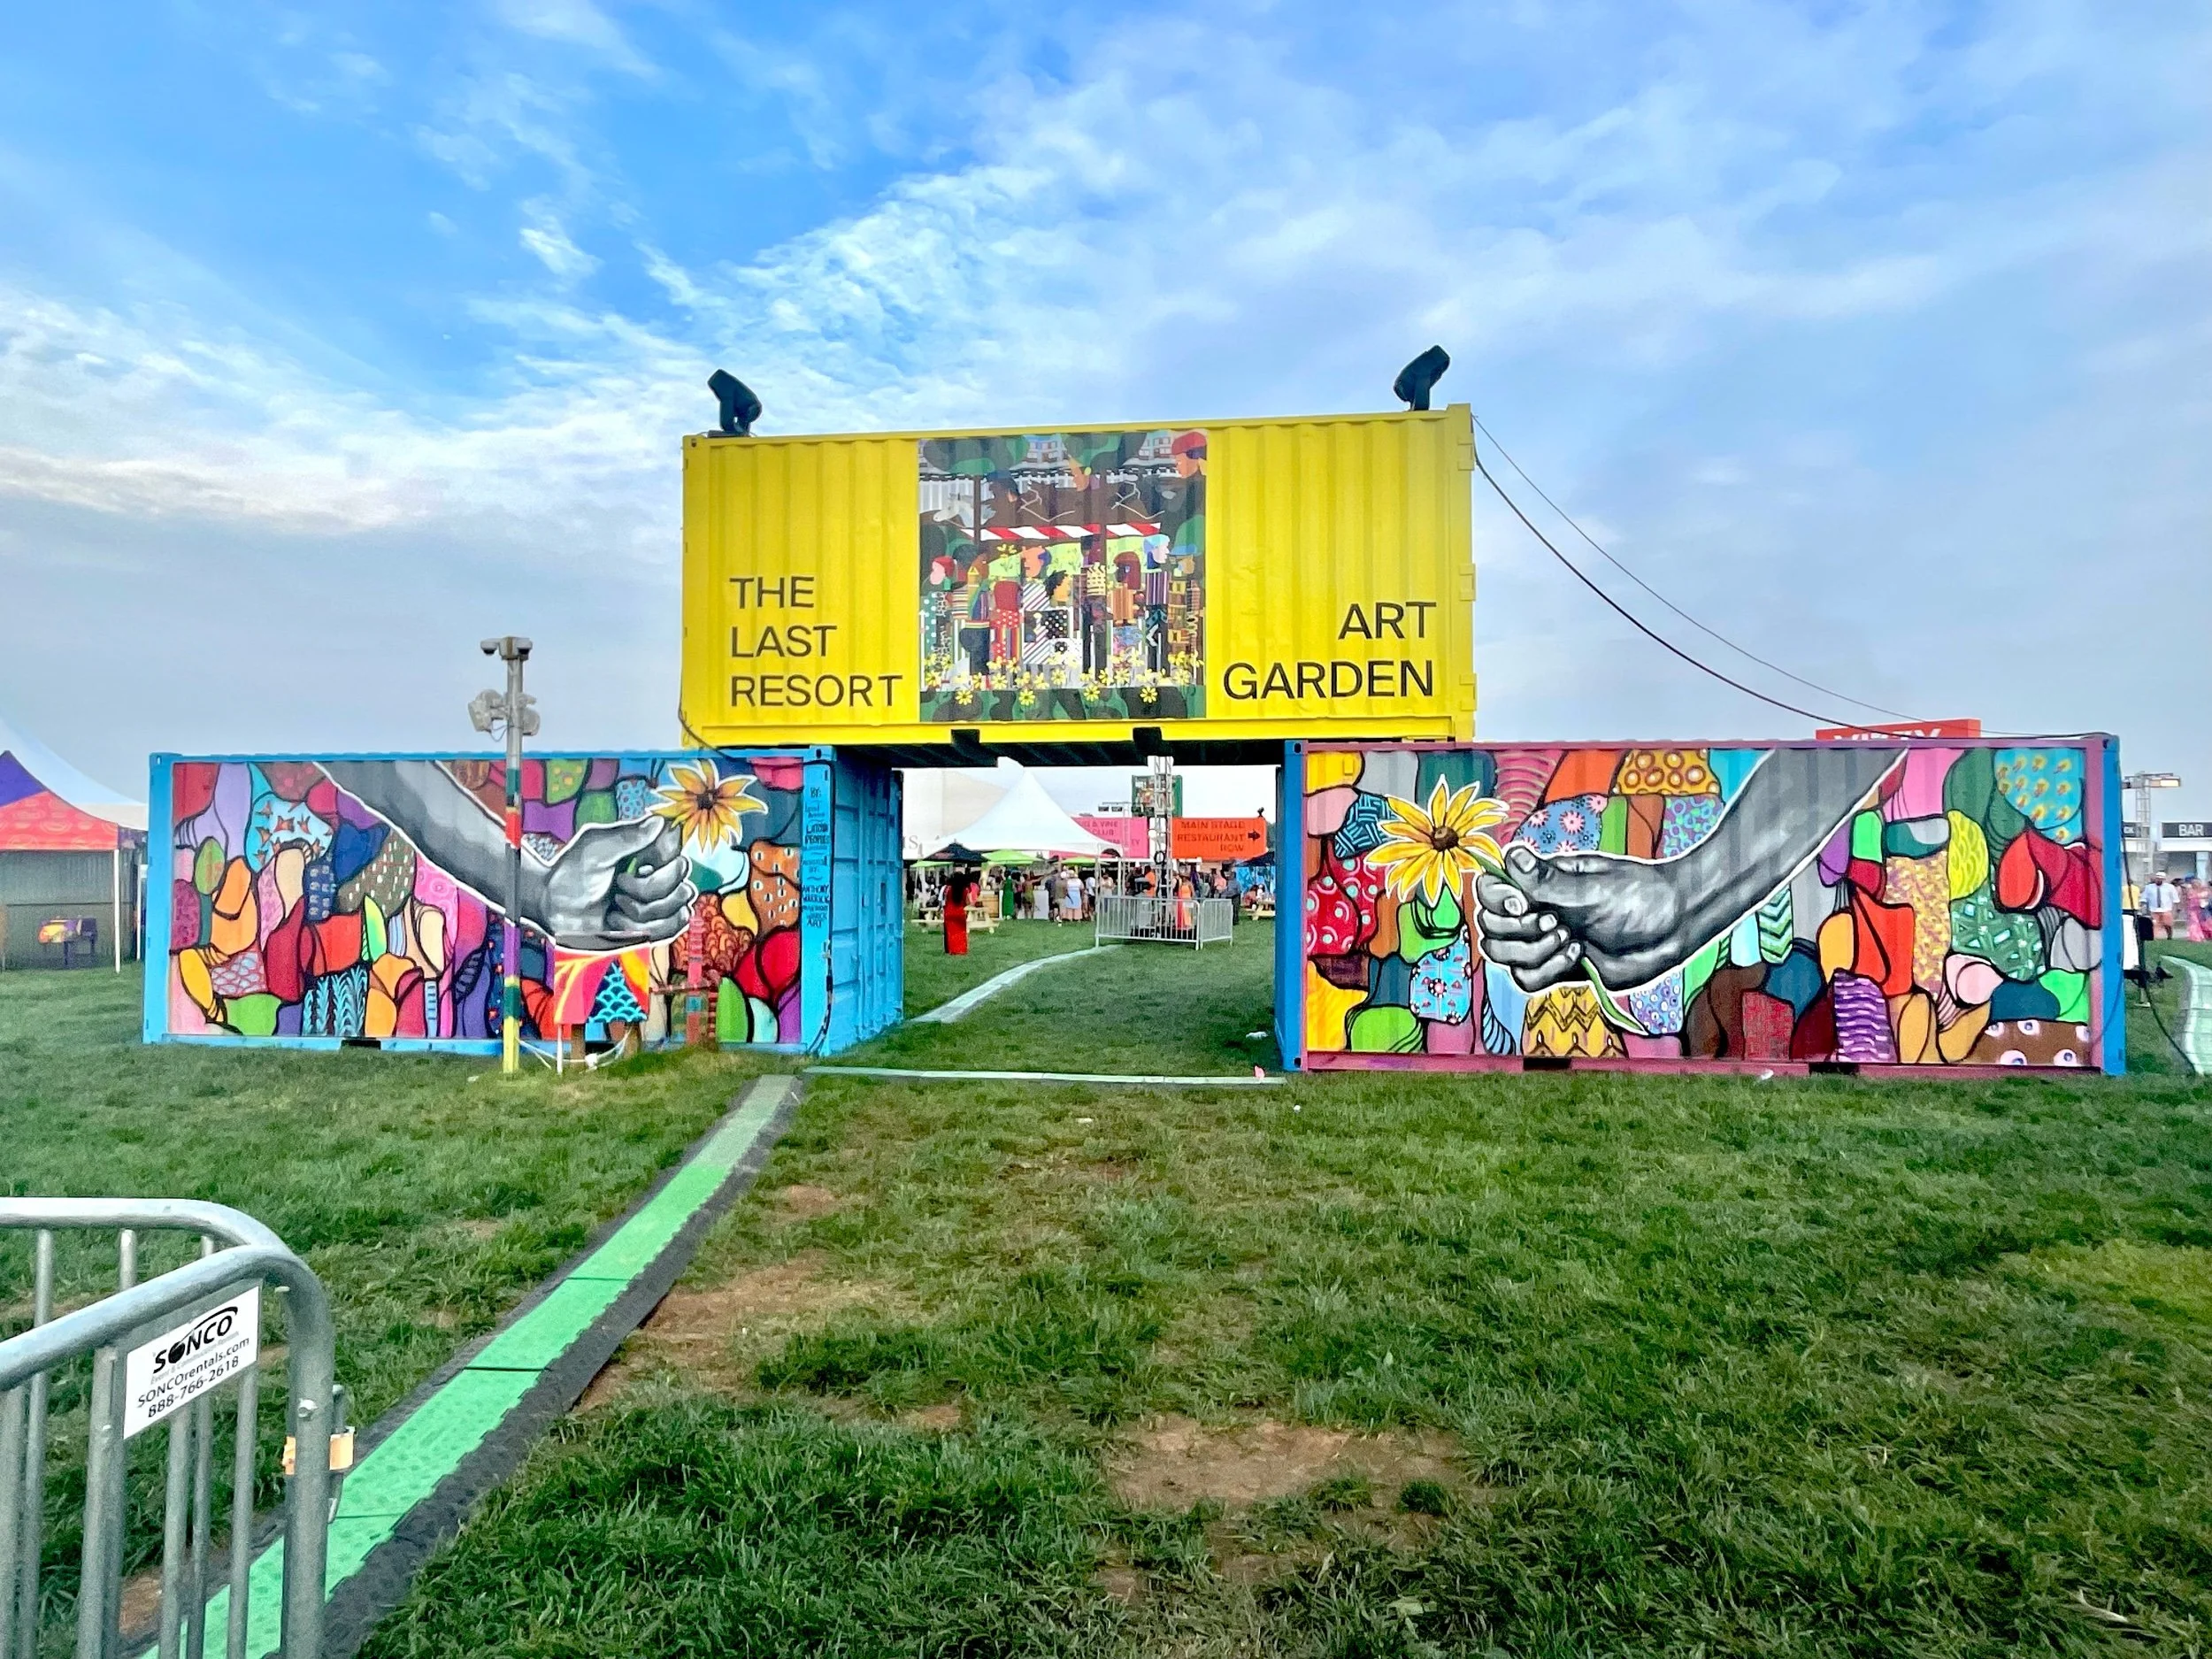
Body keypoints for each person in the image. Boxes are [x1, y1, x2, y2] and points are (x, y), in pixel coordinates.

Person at [943, 866, 972, 956]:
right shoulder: (965, 890)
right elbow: (968, 902)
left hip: (949, 912)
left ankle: (953, 950)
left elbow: (946, 900)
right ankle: (961, 950)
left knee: (951, 933)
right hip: (960, 913)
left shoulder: (948, 889)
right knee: (961, 933)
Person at [2144, 872, 2180, 940]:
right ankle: (2154, 937)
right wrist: (2144, 906)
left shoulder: (2170, 887)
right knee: (2154, 924)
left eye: (2161, 879)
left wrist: (2177, 908)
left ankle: (2169, 936)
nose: (2159, 880)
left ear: (2164, 880)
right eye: (2157, 879)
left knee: (2167, 924)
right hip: (2153, 909)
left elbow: (2175, 899)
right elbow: (2144, 898)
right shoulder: (2149, 887)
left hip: (2166, 908)